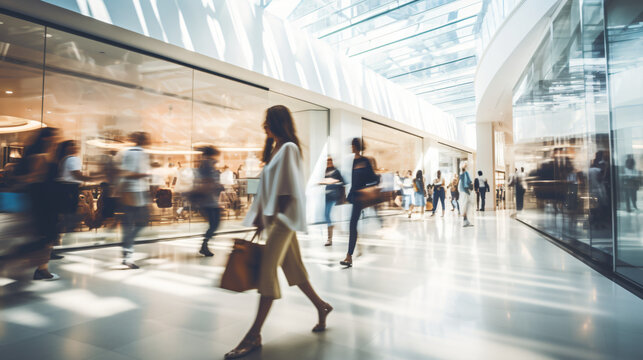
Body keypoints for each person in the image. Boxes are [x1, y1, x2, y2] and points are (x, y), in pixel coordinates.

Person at [225, 105, 332, 359]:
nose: (265, 125)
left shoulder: (289, 149)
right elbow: (268, 187)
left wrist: (270, 215)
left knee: (266, 272)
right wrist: (262, 215)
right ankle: (322, 306)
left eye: (268, 120)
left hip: (282, 220)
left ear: (278, 122)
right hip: (275, 219)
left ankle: (254, 335)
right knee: (294, 269)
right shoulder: (276, 150)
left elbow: (290, 188)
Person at [14, 128, 61, 280]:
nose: (56, 140)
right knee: (45, 238)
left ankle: (42, 269)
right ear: (46, 139)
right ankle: (41, 270)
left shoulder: (41, 155)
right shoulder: (40, 157)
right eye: (54, 137)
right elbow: (34, 178)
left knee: (45, 238)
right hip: (43, 203)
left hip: (43, 201)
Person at [340, 137, 379, 267]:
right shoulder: (353, 162)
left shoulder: (365, 161)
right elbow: (353, 180)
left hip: (362, 197)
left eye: (352, 145)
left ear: (356, 146)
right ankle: (356, 250)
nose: (351, 147)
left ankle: (349, 256)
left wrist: (366, 189)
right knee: (353, 225)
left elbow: (374, 179)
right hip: (355, 196)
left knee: (352, 224)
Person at [119, 132, 151, 269]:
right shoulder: (136, 153)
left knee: (133, 223)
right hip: (135, 191)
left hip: (135, 191)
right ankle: (127, 251)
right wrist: (144, 174)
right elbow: (128, 173)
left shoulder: (135, 152)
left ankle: (127, 250)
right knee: (139, 222)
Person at [194, 146, 224, 257]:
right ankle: (204, 245)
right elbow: (208, 181)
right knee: (214, 224)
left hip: (211, 200)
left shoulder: (207, 164)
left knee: (214, 224)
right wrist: (216, 185)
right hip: (208, 201)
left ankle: (204, 245)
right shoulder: (207, 164)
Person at [321, 156, 344, 246]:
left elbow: (342, 182)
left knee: (327, 215)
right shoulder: (326, 171)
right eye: (327, 160)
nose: (329, 162)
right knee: (326, 215)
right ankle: (330, 235)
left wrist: (333, 181)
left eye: (330, 160)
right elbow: (325, 181)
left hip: (334, 196)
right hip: (327, 196)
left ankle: (329, 239)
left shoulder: (336, 171)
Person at [459, 162, 474, 227]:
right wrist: (464, 166)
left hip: (467, 191)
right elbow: (462, 169)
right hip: (464, 191)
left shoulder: (467, 173)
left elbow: (469, 181)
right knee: (465, 205)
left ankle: (466, 221)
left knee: (468, 204)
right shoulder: (462, 172)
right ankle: (465, 221)